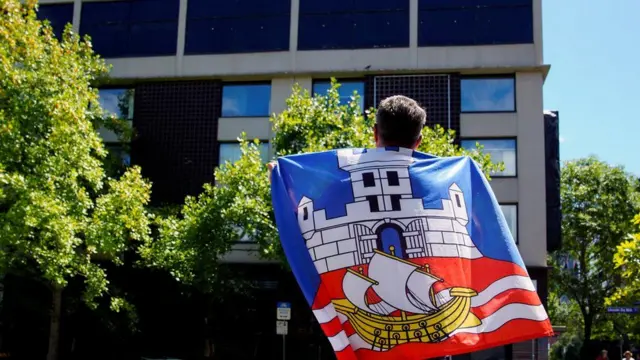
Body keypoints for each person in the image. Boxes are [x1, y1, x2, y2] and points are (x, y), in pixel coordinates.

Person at [267, 95, 427, 179]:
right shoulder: (440, 182)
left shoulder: (341, 177)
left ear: (375, 133)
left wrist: (281, 181)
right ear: (418, 142)